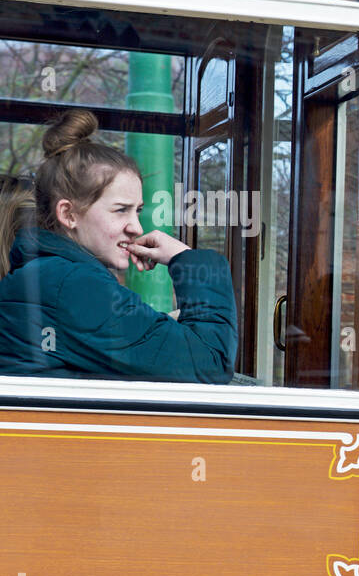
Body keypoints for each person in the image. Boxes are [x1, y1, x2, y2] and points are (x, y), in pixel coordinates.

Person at [0, 110, 236, 383]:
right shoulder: (72, 285)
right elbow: (211, 364)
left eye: (138, 211)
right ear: (68, 214)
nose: (136, 227)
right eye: (121, 210)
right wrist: (185, 259)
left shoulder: (47, 275)